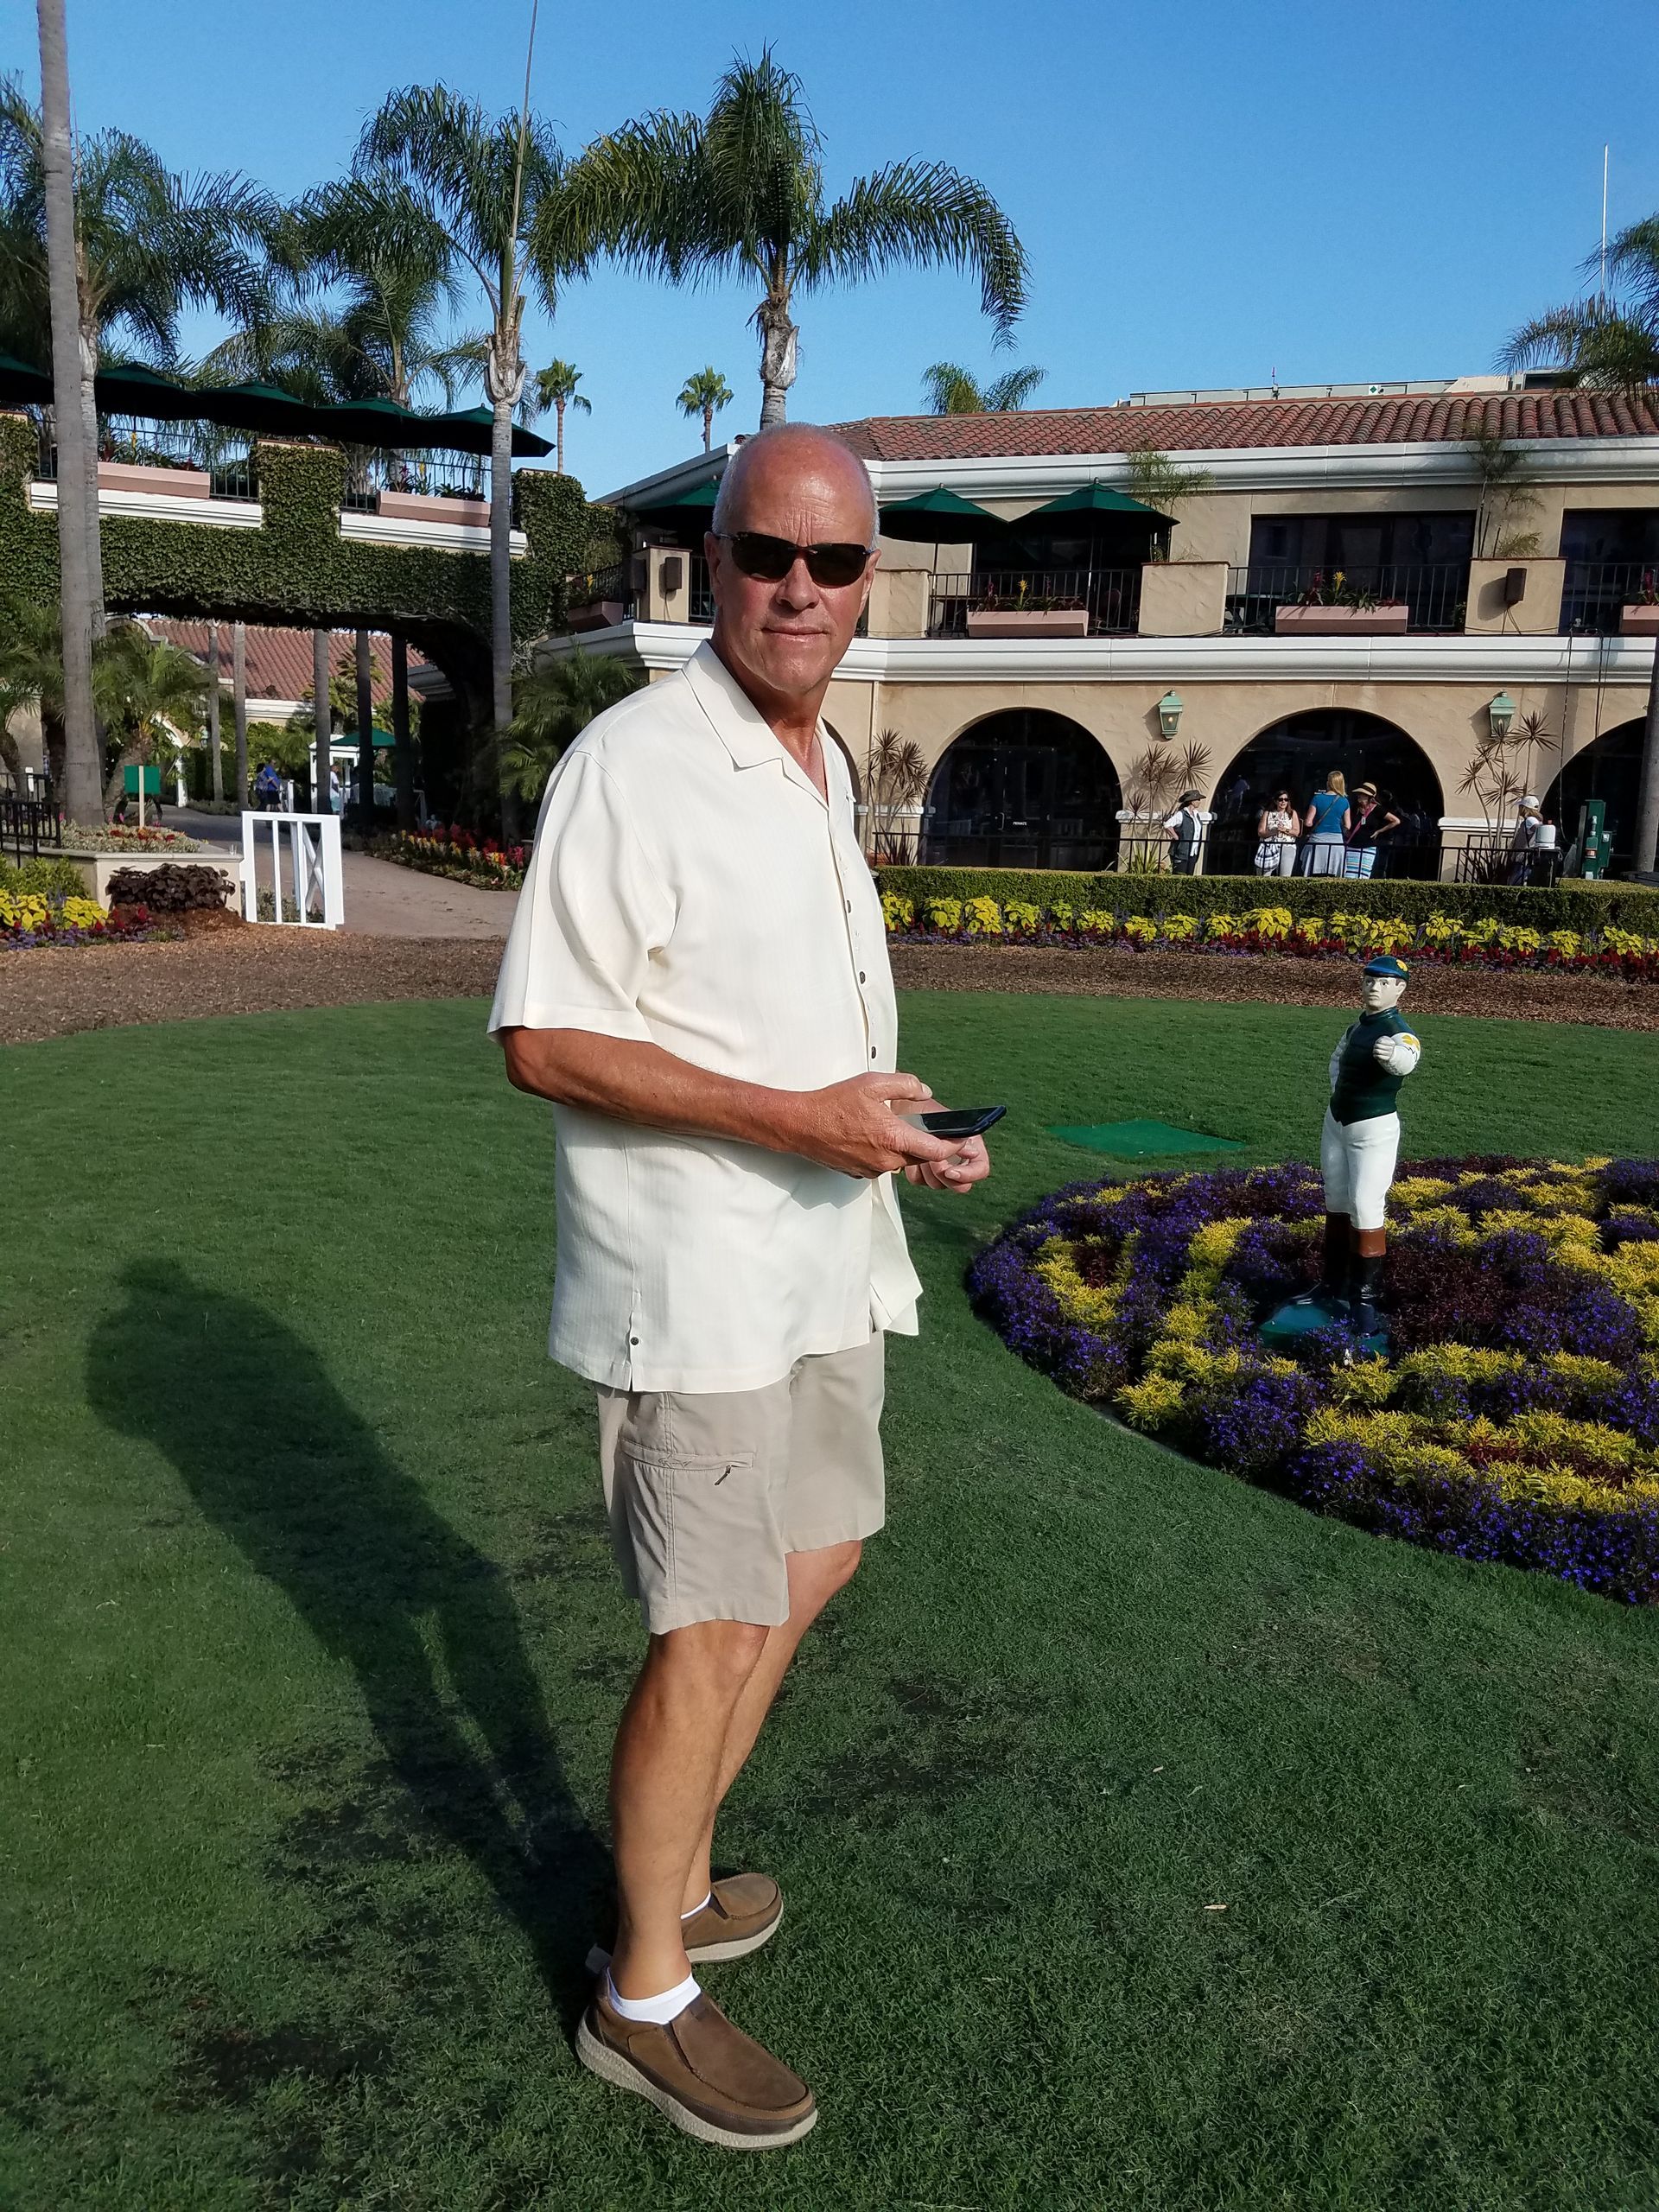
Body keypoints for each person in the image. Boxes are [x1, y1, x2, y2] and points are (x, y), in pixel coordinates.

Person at [490, 423, 991, 2152]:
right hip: (695, 1281)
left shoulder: (818, 761)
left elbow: (791, 1022)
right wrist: (799, 1119)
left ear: (868, 582)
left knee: (815, 1556)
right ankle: (642, 1996)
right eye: (767, 553)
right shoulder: (634, 762)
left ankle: (682, 1872)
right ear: (714, 563)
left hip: (823, 1255)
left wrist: (892, 1125)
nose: (799, 588)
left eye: (833, 561)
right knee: (707, 1624)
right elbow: (542, 1038)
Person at [1281, 954, 1422, 1338]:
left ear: (1399, 989)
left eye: (1384, 982)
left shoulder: (1397, 1031)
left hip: (1372, 1128)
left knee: (1365, 1205)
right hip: (1338, 1121)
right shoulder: (1357, 1026)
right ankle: (1333, 1283)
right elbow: (1337, 1062)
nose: (1374, 987)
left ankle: (1365, 1300)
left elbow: (1409, 1054)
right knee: (1337, 1198)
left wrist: (1395, 1057)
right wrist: (1338, 1095)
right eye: (1369, 980)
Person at [1342, 781, 1401, 880]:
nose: (1359, 795)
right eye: (1359, 793)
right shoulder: (1354, 808)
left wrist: (1379, 831)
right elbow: (1346, 822)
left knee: (1363, 876)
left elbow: (1396, 821)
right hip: (1352, 846)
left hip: (1368, 847)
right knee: (1349, 875)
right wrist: (1346, 831)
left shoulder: (1377, 809)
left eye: (1362, 794)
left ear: (1369, 796)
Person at [1300, 771, 1351, 875]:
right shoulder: (1344, 801)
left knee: (1313, 873)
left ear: (1329, 783)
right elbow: (1348, 825)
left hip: (1317, 840)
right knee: (1333, 874)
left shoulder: (1317, 798)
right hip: (1336, 842)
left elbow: (1308, 822)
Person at [1164, 788, 1211, 875]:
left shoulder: (1196, 815)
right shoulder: (1181, 814)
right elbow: (1167, 825)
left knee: (1189, 876)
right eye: (1198, 800)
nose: (1199, 802)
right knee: (1179, 875)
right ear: (1192, 801)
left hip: (1193, 852)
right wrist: (1176, 837)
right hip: (1181, 853)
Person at [1254, 788, 1300, 875]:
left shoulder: (1292, 813)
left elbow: (1296, 832)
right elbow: (1260, 832)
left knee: (1285, 876)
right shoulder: (1268, 813)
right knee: (1263, 875)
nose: (1283, 802)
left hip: (1287, 846)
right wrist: (1273, 832)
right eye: (1280, 799)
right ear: (1275, 801)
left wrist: (1285, 830)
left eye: (1286, 799)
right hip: (1269, 847)